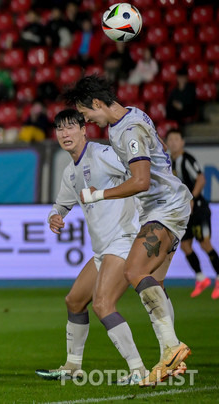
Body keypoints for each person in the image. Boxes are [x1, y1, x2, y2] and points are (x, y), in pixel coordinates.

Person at [63, 75, 192, 386]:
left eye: (87, 113)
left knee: (134, 270)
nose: (88, 120)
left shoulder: (127, 130)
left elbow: (141, 181)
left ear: (96, 103)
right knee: (154, 283)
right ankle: (168, 359)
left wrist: (100, 194)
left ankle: (172, 347)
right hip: (166, 205)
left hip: (166, 206)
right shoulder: (134, 115)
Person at [36, 109, 149, 385]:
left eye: (70, 127)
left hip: (123, 240)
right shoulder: (70, 172)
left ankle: (139, 370)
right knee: (74, 301)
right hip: (103, 249)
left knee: (102, 303)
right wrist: (55, 215)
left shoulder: (101, 154)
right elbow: (62, 203)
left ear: (84, 129)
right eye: (60, 129)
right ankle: (73, 365)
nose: (65, 134)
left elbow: (136, 174)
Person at [166, 128, 219, 299]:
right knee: (186, 246)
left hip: (198, 209)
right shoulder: (170, 163)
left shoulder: (186, 159)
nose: (173, 142)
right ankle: (201, 278)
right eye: (170, 139)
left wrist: (192, 198)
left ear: (182, 142)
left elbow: (201, 178)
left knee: (205, 243)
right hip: (185, 211)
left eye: (176, 139)